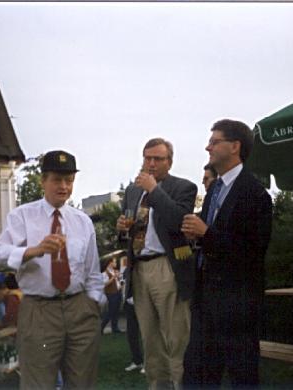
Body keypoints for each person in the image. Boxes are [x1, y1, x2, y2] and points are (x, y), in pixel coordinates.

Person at [0, 150, 104, 390]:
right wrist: (34, 250)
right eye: (57, 179)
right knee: (38, 384)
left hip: (79, 309)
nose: (64, 186)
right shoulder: (21, 216)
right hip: (39, 310)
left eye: (69, 180)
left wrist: (92, 304)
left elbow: (92, 271)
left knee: (83, 383)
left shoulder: (82, 221)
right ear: (43, 180)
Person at [181, 119, 273, 388]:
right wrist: (197, 238)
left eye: (214, 141)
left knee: (242, 379)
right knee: (196, 377)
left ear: (235, 146)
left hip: (237, 308)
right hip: (206, 305)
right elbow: (214, 242)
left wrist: (206, 234)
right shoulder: (214, 191)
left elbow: (253, 252)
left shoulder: (255, 194)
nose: (207, 147)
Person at [116, 138, 197, 389]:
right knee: (150, 339)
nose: (150, 163)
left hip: (167, 267)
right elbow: (129, 231)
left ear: (169, 162)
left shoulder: (184, 187)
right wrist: (121, 229)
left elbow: (177, 222)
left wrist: (154, 189)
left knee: (176, 339)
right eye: (147, 158)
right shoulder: (132, 191)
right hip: (139, 268)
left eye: (157, 159)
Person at [122, 263, 145, 374]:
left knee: (147, 335)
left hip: (142, 304)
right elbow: (125, 286)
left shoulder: (143, 267)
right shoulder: (127, 270)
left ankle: (148, 363)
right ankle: (137, 361)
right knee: (131, 335)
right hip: (130, 305)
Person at [100, 257, 123, 334]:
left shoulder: (115, 271)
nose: (116, 263)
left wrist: (119, 279)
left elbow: (118, 282)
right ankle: (101, 328)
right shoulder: (104, 273)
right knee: (110, 312)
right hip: (111, 294)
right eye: (114, 262)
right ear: (110, 263)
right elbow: (104, 284)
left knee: (116, 311)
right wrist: (113, 278)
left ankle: (115, 328)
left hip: (118, 292)